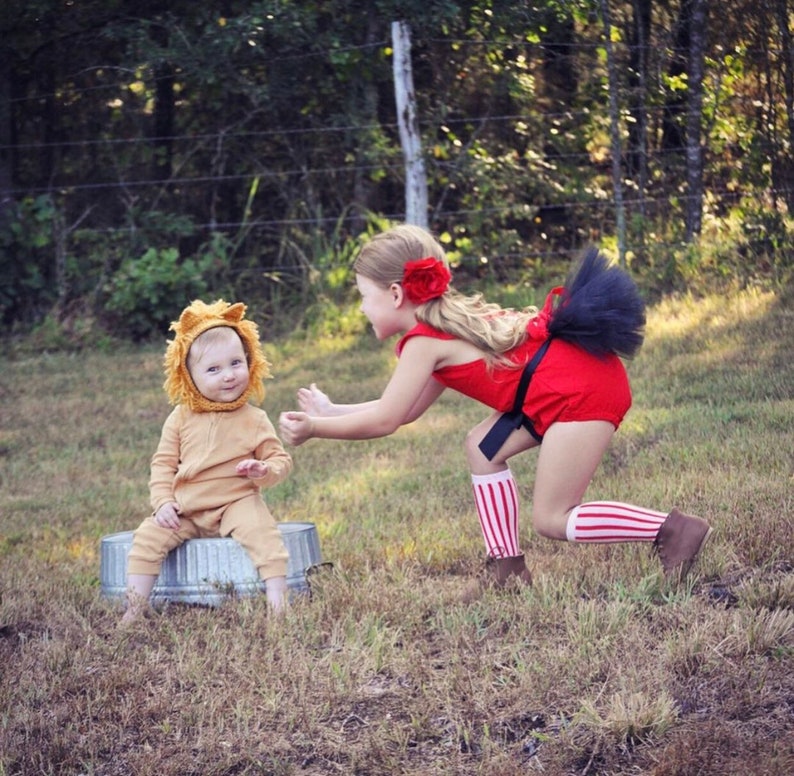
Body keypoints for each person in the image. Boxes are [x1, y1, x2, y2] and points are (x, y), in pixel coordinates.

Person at [279, 224, 711, 593]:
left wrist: (315, 428)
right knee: (482, 447)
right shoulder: (435, 330)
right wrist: (332, 409)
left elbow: (386, 420)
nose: (360, 307)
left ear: (395, 294)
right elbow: (403, 410)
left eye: (362, 296)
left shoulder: (424, 342)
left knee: (552, 518)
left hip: (580, 393)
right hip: (555, 388)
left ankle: (673, 530)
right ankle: (507, 569)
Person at [122, 299, 292, 622]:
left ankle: (278, 603)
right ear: (190, 377)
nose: (228, 375)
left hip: (235, 503)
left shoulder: (254, 419)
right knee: (147, 537)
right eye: (213, 369)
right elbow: (163, 465)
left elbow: (280, 460)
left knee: (264, 534)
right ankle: (134, 608)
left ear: (250, 361)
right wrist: (163, 503)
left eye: (235, 363)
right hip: (186, 508)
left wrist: (264, 470)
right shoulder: (180, 418)